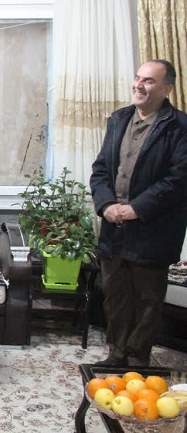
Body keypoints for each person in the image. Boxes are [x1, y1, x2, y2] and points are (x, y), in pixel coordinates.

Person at [90, 59, 187, 367]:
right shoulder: (118, 119)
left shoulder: (180, 126)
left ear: (167, 89)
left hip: (153, 228)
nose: (139, 85)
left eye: (148, 80)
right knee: (115, 294)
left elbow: (179, 179)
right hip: (114, 226)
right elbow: (100, 169)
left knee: (147, 300)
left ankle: (137, 358)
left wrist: (136, 209)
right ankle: (117, 353)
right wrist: (107, 206)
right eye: (138, 78)